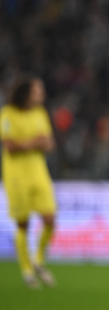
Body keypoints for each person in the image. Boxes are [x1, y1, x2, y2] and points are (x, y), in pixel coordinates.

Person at [0, 76, 57, 288]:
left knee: (50, 219)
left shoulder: (40, 114)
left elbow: (49, 144)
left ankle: (38, 260)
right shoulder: (8, 114)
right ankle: (27, 271)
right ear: (27, 93)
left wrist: (31, 143)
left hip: (39, 173)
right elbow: (10, 147)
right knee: (23, 224)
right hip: (16, 177)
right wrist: (35, 141)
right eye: (38, 90)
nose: (42, 93)